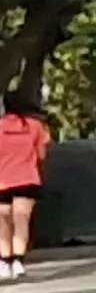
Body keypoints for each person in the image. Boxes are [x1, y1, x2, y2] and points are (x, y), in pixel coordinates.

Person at [0, 91, 49, 281]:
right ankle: (18, 262)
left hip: (2, 181)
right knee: (22, 220)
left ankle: (4, 262)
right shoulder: (36, 127)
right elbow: (42, 155)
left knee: (3, 222)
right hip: (27, 178)